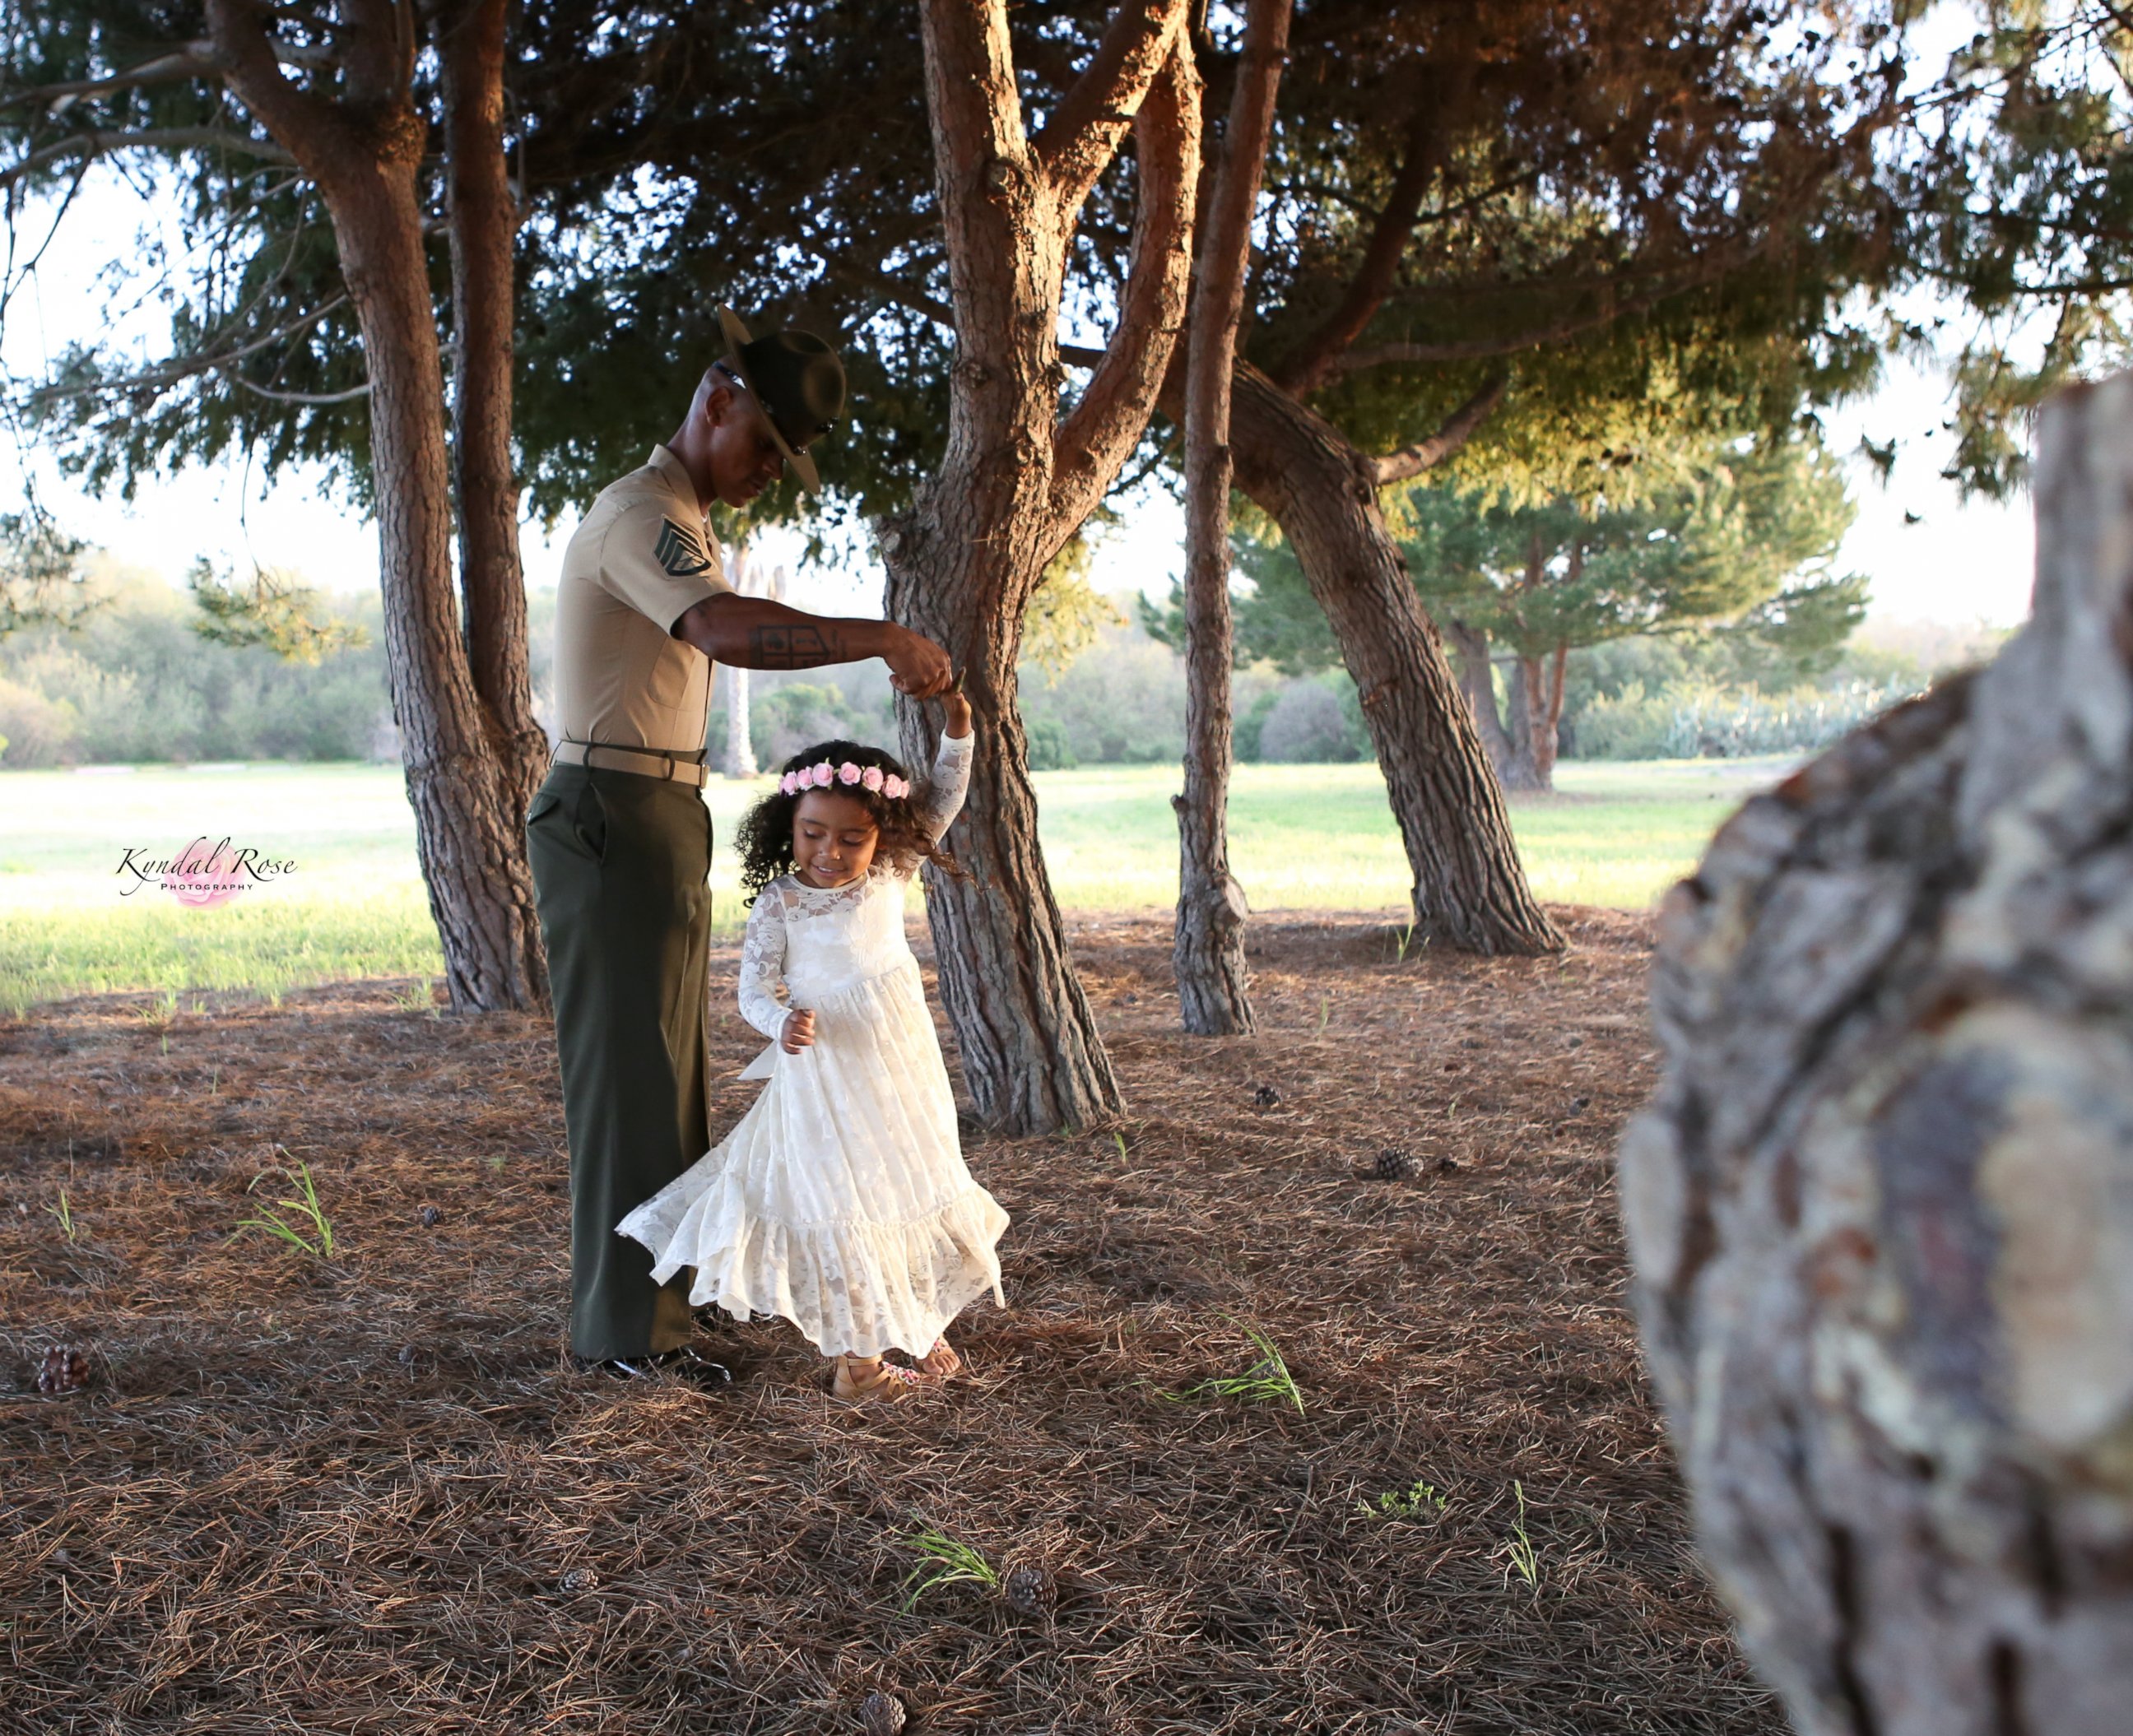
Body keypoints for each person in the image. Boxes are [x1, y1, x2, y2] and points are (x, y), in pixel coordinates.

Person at [527, 306, 954, 1385]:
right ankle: (627, 1332)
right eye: (764, 441)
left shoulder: (684, 517)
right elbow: (721, 631)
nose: (768, 468)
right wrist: (879, 637)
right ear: (716, 398)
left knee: (671, 1073)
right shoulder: (641, 514)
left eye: (784, 456)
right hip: (609, 808)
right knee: (630, 1074)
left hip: (656, 808)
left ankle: (661, 1300)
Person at [615, 688, 1010, 1405]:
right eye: (813, 834)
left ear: (881, 837)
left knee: (911, 1182)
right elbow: (752, 990)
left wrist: (958, 732)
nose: (831, 851)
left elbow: (946, 795)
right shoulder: (782, 903)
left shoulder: (893, 871)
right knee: (847, 1197)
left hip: (899, 1067)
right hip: (824, 1071)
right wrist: (781, 1021)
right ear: (786, 829)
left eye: (852, 837)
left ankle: (916, 1324)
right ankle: (858, 1368)